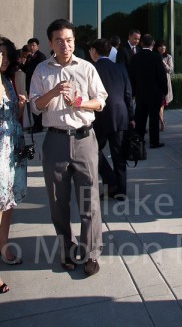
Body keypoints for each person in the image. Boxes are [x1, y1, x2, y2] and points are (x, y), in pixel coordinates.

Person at [29, 18, 108, 276]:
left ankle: (91, 252)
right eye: (60, 40)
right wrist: (52, 93)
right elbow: (35, 106)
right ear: (51, 43)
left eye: (70, 40)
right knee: (57, 201)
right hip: (55, 141)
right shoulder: (42, 70)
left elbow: (100, 102)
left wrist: (79, 102)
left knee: (89, 201)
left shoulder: (86, 68)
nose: (66, 45)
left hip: (85, 139)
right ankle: (66, 248)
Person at [89, 38, 134, 198]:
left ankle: (111, 180)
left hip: (99, 115)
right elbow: (128, 93)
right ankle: (120, 189)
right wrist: (131, 116)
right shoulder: (120, 68)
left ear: (94, 51)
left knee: (92, 150)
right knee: (118, 153)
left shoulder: (91, 69)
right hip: (120, 114)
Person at [0, 37, 27, 295]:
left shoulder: (8, 81)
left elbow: (13, 118)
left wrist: (19, 106)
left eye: (8, 56)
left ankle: (4, 244)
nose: (4, 60)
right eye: (0, 55)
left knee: (7, 203)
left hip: (11, 150)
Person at [129, 33, 168, 149]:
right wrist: (164, 91)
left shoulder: (135, 58)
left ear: (141, 43)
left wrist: (134, 92)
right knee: (154, 118)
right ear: (153, 44)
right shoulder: (156, 57)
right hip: (155, 94)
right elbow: (162, 76)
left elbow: (131, 77)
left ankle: (139, 141)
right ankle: (154, 142)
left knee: (140, 118)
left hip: (141, 93)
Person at [21, 37, 47, 132]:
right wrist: (19, 64)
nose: (31, 47)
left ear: (37, 46)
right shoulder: (29, 56)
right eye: (30, 45)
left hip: (37, 85)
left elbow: (41, 71)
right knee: (32, 104)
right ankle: (35, 124)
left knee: (37, 104)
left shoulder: (41, 56)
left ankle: (39, 125)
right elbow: (26, 69)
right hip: (29, 84)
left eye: (33, 45)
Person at [154, 40, 174, 131]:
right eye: (161, 46)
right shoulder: (153, 56)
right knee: (160, 104)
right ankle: (161, 121)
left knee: (161, 104)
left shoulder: (168, 57)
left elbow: (170, 70)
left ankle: (161, 121)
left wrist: (163, 63)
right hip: (156, 84)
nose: (163, 48)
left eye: (164, 46)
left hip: (165, 83)